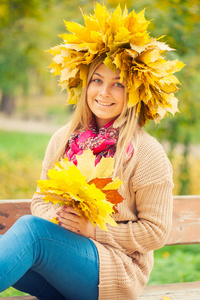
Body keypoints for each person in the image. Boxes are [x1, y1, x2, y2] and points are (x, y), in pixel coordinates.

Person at [0, 3, 184, 300]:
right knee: (18, 244)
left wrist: (93, 231)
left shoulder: (147, 153)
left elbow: (156, 231)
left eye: (118, 84)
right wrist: (64, 221)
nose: (104, 93)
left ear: (134, 92)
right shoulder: (64, 138)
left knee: (30, 233)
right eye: (97, 80)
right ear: (86, 85)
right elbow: (40, 201)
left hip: (116, 271)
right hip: (65, 257)